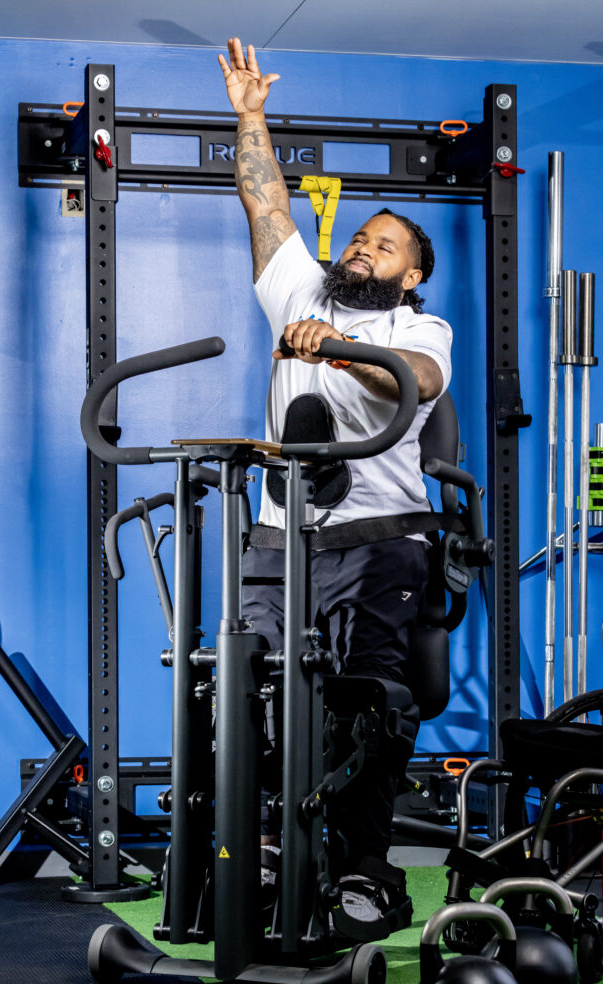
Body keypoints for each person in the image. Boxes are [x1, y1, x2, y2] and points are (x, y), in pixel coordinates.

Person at [218, 38, 453, 929]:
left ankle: (362, 867)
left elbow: (412, 387)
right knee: (252, 694)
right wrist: (251, 116)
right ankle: (268, 847)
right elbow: (266, 203)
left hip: (379, 539)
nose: (364, 247)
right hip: (283, 538)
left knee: (366, 704)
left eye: (384, 244)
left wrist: (345, 353)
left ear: (412, 272)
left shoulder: (422, 329)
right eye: (360, 236)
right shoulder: (299, 295)